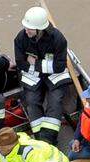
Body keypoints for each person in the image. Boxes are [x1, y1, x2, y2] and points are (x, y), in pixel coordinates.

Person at [14, 6, 71, 145]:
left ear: (40, 29)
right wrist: (43, 65)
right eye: (26, 27)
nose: (26, 30)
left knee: (55, 101)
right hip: (33, 76)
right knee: (32, 101)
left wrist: (36, 63)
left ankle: (49, 138)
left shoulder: (58, 39)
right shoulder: (21, 38)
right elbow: (21, 63)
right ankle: (40, 138)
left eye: (30, 28)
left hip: (55, 76)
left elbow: (59, 66)